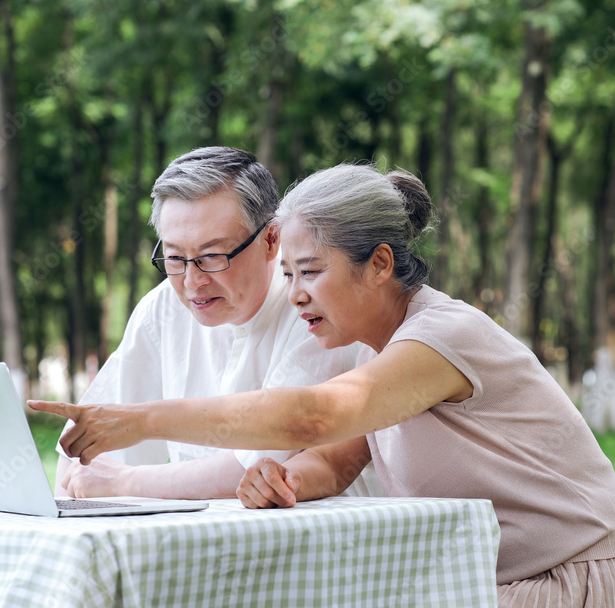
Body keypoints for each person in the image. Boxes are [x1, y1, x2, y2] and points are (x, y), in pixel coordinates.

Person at [31, 163, 615, 606]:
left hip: (566, 584)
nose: (295, 293)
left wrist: (143, 420)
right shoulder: (375, 349)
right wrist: (285, 481)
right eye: (288, 272)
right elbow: (334, 459)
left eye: (310, 271)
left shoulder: (441, 337)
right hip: (485, 583)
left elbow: (312, 419)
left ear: (380, 264)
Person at [51, 147, 383, 500]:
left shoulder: (314, 308)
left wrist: (124, 482)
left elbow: (256, 467)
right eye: (176, 257)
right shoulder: (164, 306)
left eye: (212, 256)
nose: (192, 281)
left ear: (272, 240)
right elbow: (87, 450)